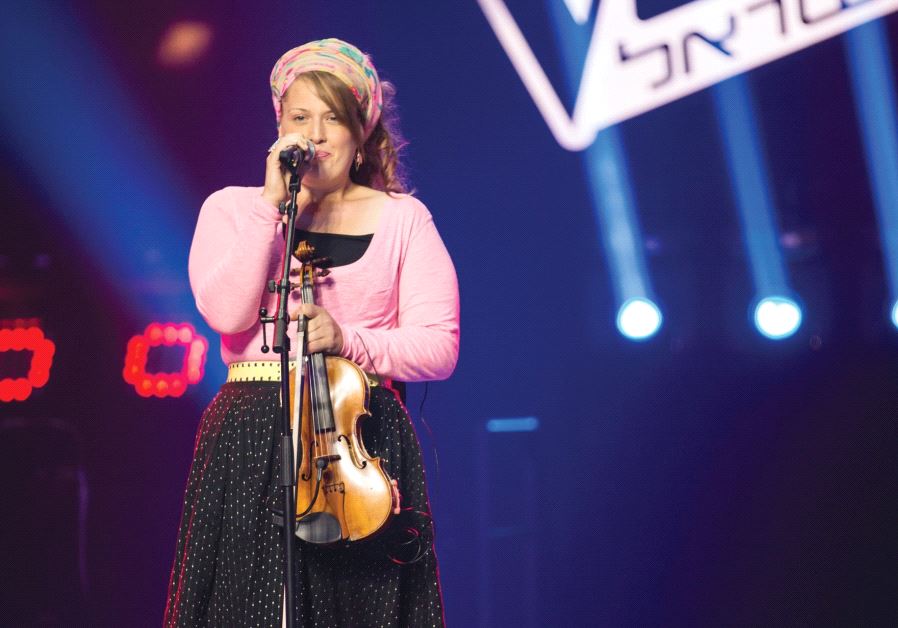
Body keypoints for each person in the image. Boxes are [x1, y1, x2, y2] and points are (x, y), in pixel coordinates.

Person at [164, 38, 458, 627]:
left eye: (333, 119)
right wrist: (270, 209)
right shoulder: (231, 209)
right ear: (279, 129)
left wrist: (348, 340)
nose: (316, 135)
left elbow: (439, 347)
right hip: (251, 430)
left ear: (360, 135)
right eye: (300, 118)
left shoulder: (404, 219)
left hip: (358, 440)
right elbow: (226, 315)